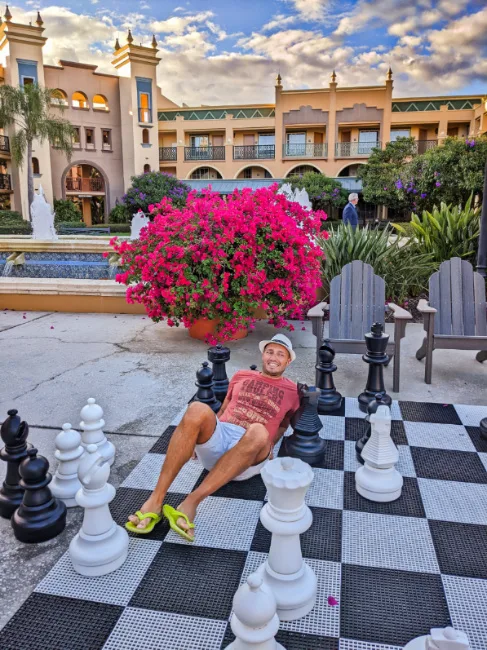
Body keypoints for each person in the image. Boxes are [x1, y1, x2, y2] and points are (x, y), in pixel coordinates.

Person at [126, 333, 301, 541]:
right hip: (222, 436)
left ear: (288, 361)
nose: (274, 357)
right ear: (263, 355)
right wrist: (192, 437)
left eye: (280, 354)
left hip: (250, 452)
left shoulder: (294, 391)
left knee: (258, 430)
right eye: (270, 352)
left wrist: (271, 443)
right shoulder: (241, 376)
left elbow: (284, 424)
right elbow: (224, 410)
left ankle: (191, 503)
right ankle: (155, 501)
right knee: (197, 408)